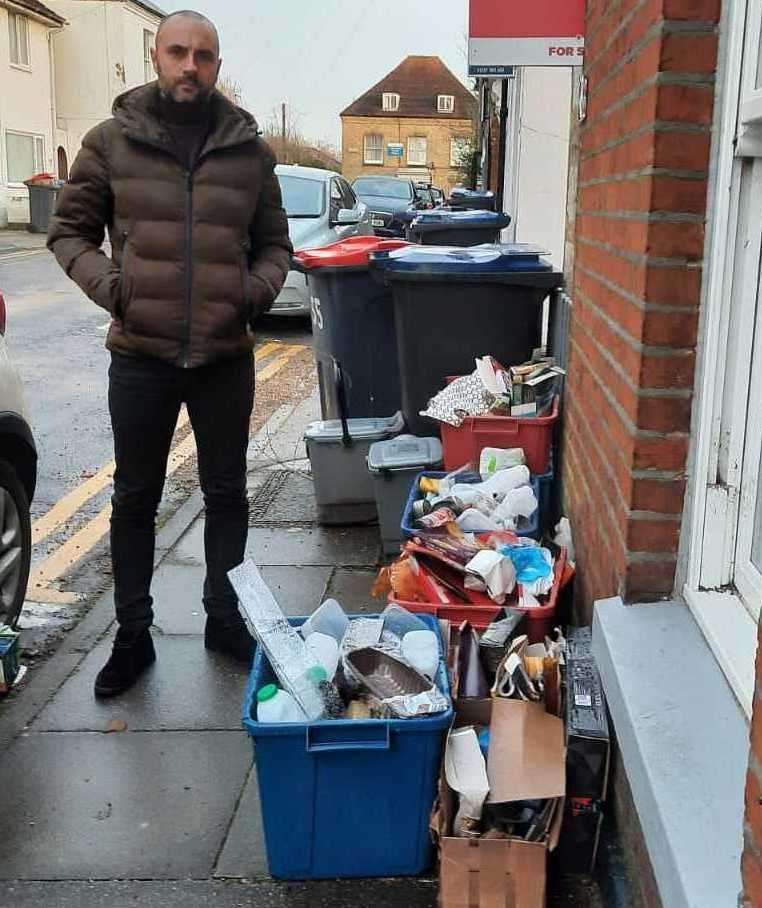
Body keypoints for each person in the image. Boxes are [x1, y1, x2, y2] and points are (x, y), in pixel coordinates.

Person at [47, 10, 292, 697]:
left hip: (223, 355)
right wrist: (115, 291)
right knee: (134, 497)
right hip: (141, 356)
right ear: (156, 56)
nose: (191, 66)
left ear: (218, 65)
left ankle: (222, 619)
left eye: (204, 56)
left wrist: (253, 293)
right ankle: (132, 636)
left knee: (227, 494)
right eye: (178, 52)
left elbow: (276, 244)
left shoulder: (248, 151)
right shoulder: (111, 142)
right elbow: (69, 233)